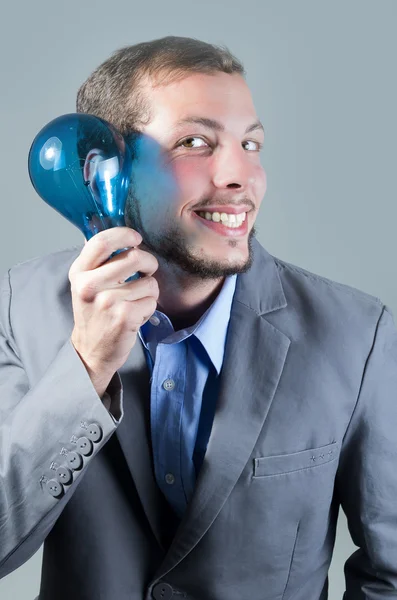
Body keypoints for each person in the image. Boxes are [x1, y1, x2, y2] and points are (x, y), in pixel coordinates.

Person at [0, 35, 396, 600]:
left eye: (251, 143)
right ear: (103, 168)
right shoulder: (22, 304)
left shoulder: (358, 336)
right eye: (194, 141)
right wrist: (85, 368)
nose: (241, 176)